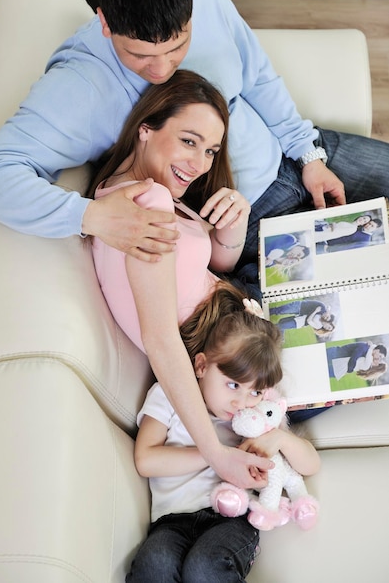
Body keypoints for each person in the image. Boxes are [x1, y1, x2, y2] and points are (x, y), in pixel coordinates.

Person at [0, 0, 389, 282]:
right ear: (104, 21)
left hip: (292, 155)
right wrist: (90, 217)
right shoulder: (80, 87)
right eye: (139, 55)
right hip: (244, 227)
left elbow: (257, 75)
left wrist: (308, 154)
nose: (162, 70)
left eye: (178, 47)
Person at [89, 68, 275, 490]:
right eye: (188, 141)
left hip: (237, 308)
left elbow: (219, 265)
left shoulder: (141, 190)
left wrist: (234, 221)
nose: (199, 164)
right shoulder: (147, 204)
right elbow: (160, 339)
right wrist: (216, 454)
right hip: (232, 355)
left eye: (210, 150)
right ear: (145, 129)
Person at [125, 291, 320, 582]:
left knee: (204, 567)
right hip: (171, 521)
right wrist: (215, 454)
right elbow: (146, 460)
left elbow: (310, 465)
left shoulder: (256, 417)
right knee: (155, 564)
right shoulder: (169, 395)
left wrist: (279, 440)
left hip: (233, 519)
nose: (241, 402)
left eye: (254, 391)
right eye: (232, 385)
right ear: (201, 366)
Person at [270, 299, 335, 338]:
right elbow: (327, 309)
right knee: (279, 311)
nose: (326, 318)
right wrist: (328, 309)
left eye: (327, 319)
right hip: (299, 307)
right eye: (327, 317)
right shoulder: (322, 308)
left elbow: (309, 320)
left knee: (282, 324)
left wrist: (315, 311)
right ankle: (265, 311)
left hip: (299, 319)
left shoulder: (319, 323)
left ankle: (271, 330)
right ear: (329, 313)